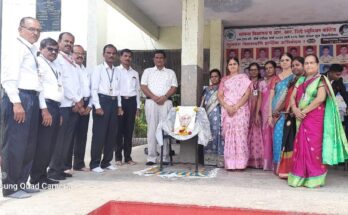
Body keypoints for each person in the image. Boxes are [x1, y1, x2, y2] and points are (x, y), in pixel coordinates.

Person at [288, 54, 348, 188]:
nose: (309, 65)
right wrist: (295, 109)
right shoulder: (300, 80)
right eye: (307, 63)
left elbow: (320, 98)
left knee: (314, 148)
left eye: (311, 63)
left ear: (317, 65)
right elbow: (292, 97)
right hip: (300, 117)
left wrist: (303, 111)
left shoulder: (321, 79)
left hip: (314, 118)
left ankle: (315, 179)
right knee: (300, 146)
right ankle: (300, 177)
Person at [1, 17, 42, 198]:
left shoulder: (31, 50)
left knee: (28, 144)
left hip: (31, 97)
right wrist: (16, 103)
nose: (35, 33)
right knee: (15, 145)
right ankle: (10, 187)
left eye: (38, 30)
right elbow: (9, 77)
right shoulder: (16, 47)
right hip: (19, 98)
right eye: (31, 29)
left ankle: (21, 183)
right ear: (20, 29)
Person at [48, 32, 84, 180]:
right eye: (66, 41)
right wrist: (77, 100)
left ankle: (62, 167)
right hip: (63, 105)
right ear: (59, 42)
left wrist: (78, 100)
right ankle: (53, 171)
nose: (69, 44)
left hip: (72, 106)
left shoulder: (71, 61)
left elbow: (77, 83)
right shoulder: (58, 60)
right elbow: (64, 84)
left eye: (71, 42)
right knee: (59, 140)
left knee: (67, 141)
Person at [29, 37, 63, 188]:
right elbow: (40, 88)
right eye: (50, 49)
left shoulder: (53, 65)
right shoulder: (39, 63)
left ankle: (44, 175)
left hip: (55, 106)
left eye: (56, 50)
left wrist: (59, 111)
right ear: (41, 49)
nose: (53, 52)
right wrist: (45, 110)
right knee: (43, 144)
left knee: (50, 144)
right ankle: (36, 178)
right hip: (46, 106)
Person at [141, 50, 178, 165]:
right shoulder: (148, 72)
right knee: (152, 129)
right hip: (151, 102)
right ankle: (151, 157)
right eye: (156, 57)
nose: (159, 60)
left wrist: (165, 97)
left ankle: (166, 157)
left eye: (161, 58)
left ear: (164, 59)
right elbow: (143, 86)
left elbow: (174, 87)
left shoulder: (170, 72)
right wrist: (154, 97)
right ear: (154, 59)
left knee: (166, 129)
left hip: (166, 102)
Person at [90, 44, 122, 173]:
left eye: (113, 53)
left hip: (114, 102)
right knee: (99, 134)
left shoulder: (117, 71)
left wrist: (119, 106)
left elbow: (118, 90)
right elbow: (94, 89)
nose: (111, 55)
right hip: (102, 101)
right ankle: (94, 164)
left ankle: (107, 162)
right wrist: (97, 106)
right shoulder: (98, 69)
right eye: (108, 53)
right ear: (104, 55)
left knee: (111, 134)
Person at [218, 57, 251, 170]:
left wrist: (236, 107)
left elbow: (247, 94)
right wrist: (227, 107)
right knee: (229, 136)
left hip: (240, 110)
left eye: (234, 64)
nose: (232, 66)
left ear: (238, 65)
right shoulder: (224, 79)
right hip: (227, 110)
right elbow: (220, 95)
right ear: (227, 66)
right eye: (230, 64)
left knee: (240, 135)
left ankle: (241, 163)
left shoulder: (244, 78)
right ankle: (230, 163)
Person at [278, 56, 305, 178]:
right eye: (293, 65)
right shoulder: (292, 81)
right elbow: (285, 98)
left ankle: (299, 171)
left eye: (297, 65)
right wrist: (276, 111)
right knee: (288, 142)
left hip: (301, 115)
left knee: (299, 143)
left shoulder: (306, 80)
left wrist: (297, 110)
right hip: (289, 115)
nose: (295, 67)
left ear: (304, 66)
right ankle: (288, 170)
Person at [269, 53, 294, 173]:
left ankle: (288, 168)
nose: (284, 62)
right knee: (277, 139)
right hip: (276, 115)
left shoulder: (295, 77)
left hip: (289, 113)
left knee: (289, 141)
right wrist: (270, 115)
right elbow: (271, 97)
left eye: (287, 60)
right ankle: (278, 167)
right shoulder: (275, 78)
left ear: (291, 62)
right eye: (282, 60)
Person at [116, 49, 140, 165]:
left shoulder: (135, 73)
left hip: (132, 103)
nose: (127, 58)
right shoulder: (115, 71)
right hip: (120, 102)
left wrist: (138, 107)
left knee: (129, 131)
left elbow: (138, 90)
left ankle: (128, 157)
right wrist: (119, 106)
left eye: (129, 56)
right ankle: (118, 158)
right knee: (119, 131)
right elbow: (116, 89)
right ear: (120, 57)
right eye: (125, 56)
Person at [69, 45, 91, 171]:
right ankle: (65, 165)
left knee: (82, 136)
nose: (80, 56)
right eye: (77, 53)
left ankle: (79, 164)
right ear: (72, 54)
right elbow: (70, 88)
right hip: (74, 106)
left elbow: (91, 89)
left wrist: (89, 106)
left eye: (82, 53)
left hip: (85, 105)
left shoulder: (86, 70)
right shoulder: (70, 69)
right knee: (70, 137)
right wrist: (78, 104)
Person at [200, 69, 224, 167]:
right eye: (212, 76)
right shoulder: (206, 89)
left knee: (218, 135)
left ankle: (220, 160)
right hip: (208, 117)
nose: (214, 78)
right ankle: (209, 160)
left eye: (216, 76)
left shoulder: (222, 88)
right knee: (208, 135)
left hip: (219, 115)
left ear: (220, 77)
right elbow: (202, 103)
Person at [259, 60, 277, 170]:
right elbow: (260, 98)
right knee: (265, 137)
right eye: (266, 68)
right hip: (264, 112)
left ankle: (275, 163)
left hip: (275, 110)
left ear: (275, 68)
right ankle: (266, 163)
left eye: (270, 67)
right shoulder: (262, 82)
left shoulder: (278, 80)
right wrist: (257, 112)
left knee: (274, 135)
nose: (268, 70)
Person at [247, 63, 263, 169]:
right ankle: (247, 160)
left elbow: (260, 98)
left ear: (258, 71)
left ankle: (257, 160)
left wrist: (256, 113)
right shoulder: (246, 83)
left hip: (257, 111)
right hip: (247, 111)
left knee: (256, 135)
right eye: (251, 70)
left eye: (255, 69)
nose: (253, 72)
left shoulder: (261, 83)